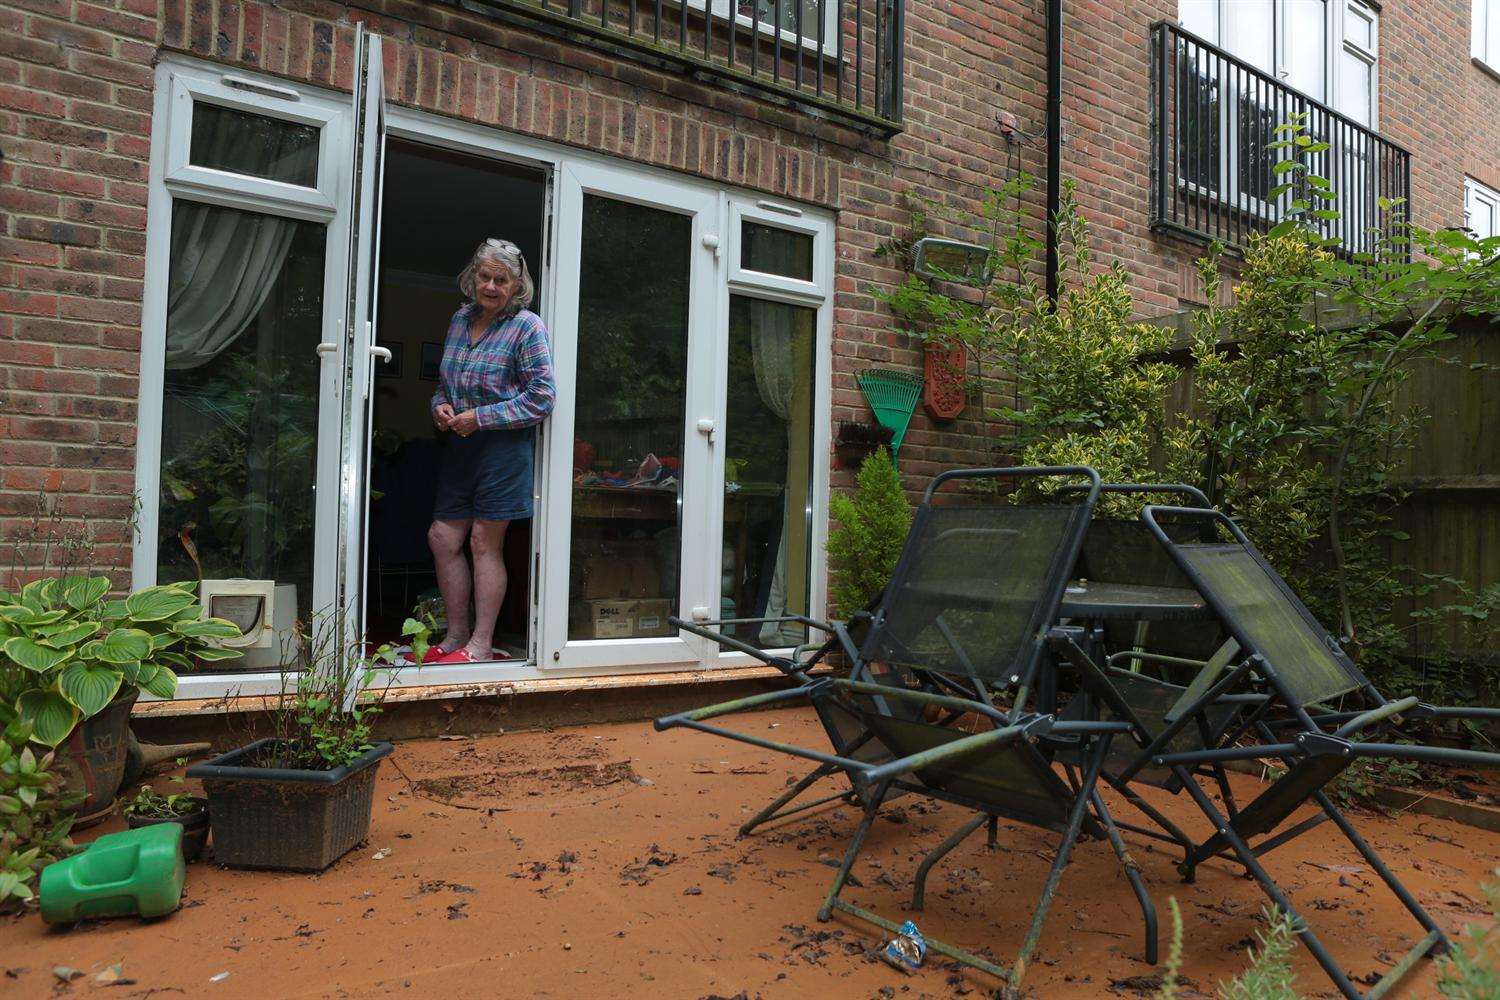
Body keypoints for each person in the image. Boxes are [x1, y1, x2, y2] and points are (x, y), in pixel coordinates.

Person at [424, 239, 555, 664]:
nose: (492, 286)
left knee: (483, 542)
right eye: (485, 277)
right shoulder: (460, 319)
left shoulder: (527, 326)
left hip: (503, 449)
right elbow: (446, 384)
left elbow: (542, 398)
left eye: (502, 280)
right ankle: (456, 632)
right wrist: (439, 407)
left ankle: (480, 643)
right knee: (442, 538)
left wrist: (480, 417)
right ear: (472, 277)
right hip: (461, 447)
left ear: (518, 285)